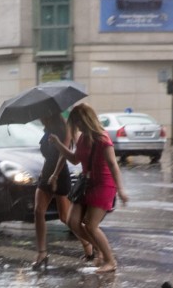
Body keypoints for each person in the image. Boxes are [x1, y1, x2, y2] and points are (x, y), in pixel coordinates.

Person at [49, 103, 128, 273]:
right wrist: (57, 144)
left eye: (78, 122)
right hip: (86, 184)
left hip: (103, 185)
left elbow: (113, 165)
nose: (77, 127)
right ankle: (99, 248)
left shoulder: (102, 138)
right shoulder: (84, 138)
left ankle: (110, 261)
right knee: (72, 221)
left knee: (91, 225)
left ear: (86, 120)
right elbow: (75, 159)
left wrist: (120, 190)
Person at [32, 112, 75, 271]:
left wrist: (55, 175)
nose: (40, 117)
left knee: (66, 217)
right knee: (38, 211)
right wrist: (45, 173)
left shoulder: (65, 130)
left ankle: (91, 244)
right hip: (47, 173)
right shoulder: (47, 130)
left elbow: (63, 155)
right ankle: (42, 253)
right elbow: (48, 156)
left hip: (59, 173)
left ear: (50, 113)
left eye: (42, 114)